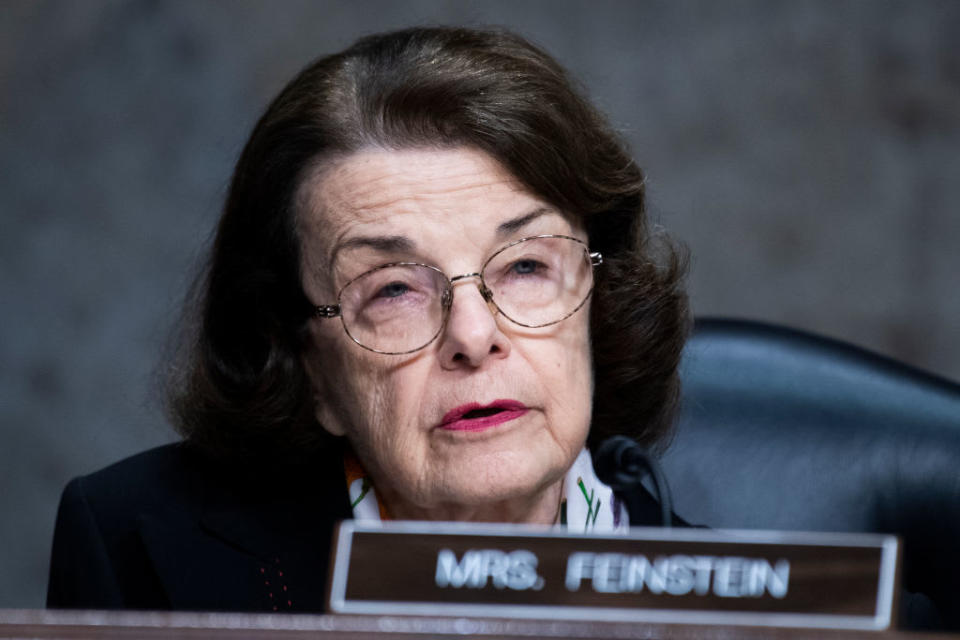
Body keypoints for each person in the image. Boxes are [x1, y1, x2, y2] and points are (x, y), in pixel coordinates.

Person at [47, 26, 688, 612]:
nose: (472, 336)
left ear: (599, 301)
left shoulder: (757, 606)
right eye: (393, 291)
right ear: (308, 362)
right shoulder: (135, 546)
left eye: (524, 267)